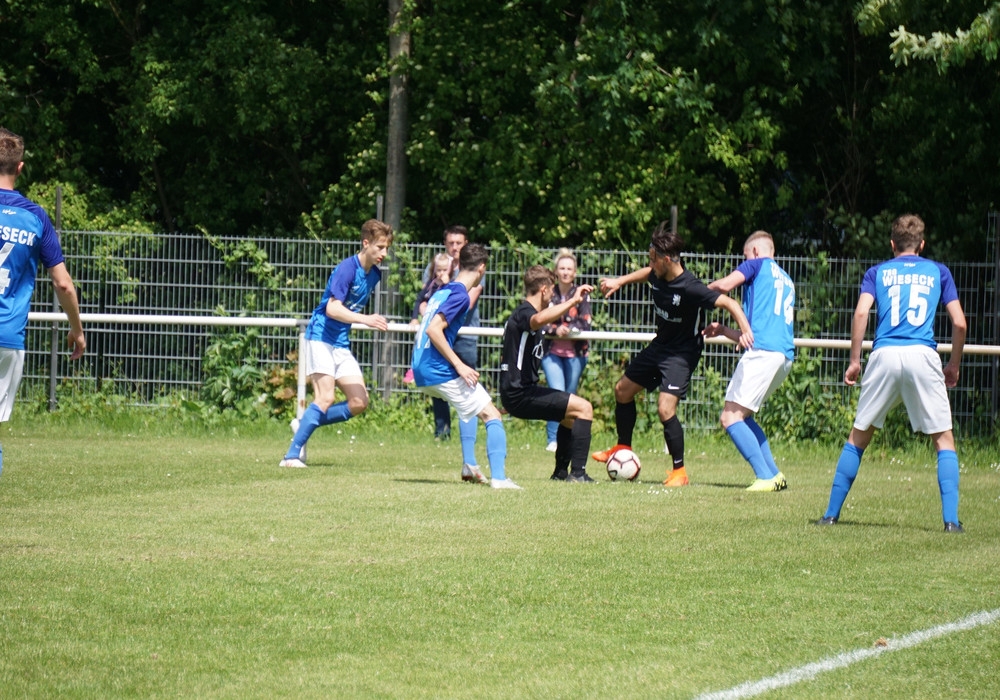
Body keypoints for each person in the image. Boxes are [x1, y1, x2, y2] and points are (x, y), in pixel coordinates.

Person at [816, 214, 967, 533]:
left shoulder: (877, 272)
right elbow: (959, 323)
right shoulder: (939, 272)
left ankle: (830, 515)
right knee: (943, 439)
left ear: (892, 244)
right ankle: (951, 522)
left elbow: (861, 312)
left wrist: (855, 360)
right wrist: (953, 364)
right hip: (922, 354)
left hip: (884, 354)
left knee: (859, 436)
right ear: (922, 245)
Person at [593, 221, 753, 486]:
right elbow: (646, 273)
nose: (650, 264)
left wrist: (745, 331)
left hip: (682, 354)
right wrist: (619, 281)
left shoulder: (690, 287)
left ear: (666, 260)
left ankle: (679, 472)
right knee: (622, 391)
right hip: (660, 346)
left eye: (653, 259)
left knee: (665, 408)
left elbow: (729, 302)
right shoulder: (658, 273)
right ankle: (622, 448)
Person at [0, 127, 86, 477]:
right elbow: (63, 284)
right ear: (20, 168)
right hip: (7, 338)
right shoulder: (36, 217)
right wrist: (77, 329)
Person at [280, 219, 393, 468]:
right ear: (366, 243)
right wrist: (366, 319)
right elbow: (332, 309)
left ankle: (304, 424)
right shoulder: (346, 269)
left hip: (340, 342)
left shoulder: (374, 274)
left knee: (359, 402)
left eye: (387, 248)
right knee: (326, 397)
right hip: (321, 337)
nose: (384, 253)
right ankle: (290, 457)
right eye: (380, 247)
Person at [411, 243, 520, 489]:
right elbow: (433, 330)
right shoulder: (460, 295)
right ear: (482, 268)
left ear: (459, 265)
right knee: (492, 414)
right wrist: (459, 365)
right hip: (437, 369)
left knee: (468, 409)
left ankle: (469, 465)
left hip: (422, 366)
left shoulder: (442, 291)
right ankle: (500, 479)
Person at [704, 231, 794, 491]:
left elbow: (724, 286)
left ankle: (764, 477)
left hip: (763, 353)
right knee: (744, 416)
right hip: (783, 356)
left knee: (730, 417)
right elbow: (755, 333)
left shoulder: (757, 264)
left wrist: (695, 291)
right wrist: (724, 331)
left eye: (744, 257)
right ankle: (775, 474)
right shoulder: (786, 279)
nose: (744, 262)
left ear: (754, 252)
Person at [501, 265, 596, 482]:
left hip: (518, 391)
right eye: (552, 290)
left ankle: (561, 473)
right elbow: (537, 320)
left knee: (569, 417)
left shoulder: (522, 314)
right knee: (584, 408)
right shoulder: (525, 313)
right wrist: (573, 301)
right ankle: (578, 474)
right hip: (520, 393)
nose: (553, 296)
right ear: (544, 290)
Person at [540, 249, 592, 452]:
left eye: (569, 269)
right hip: (550, 353)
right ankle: (552, 439)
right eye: (562, 268)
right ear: (556, 271)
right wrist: (555, 330)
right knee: (557, 393)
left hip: (576, 355)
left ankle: (567, 438)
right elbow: (539, 320)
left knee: (570, 396)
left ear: (575, 272)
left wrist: (567, 329)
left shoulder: (582, 294)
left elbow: (586, 323)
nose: (565, 272)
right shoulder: (548, 292)